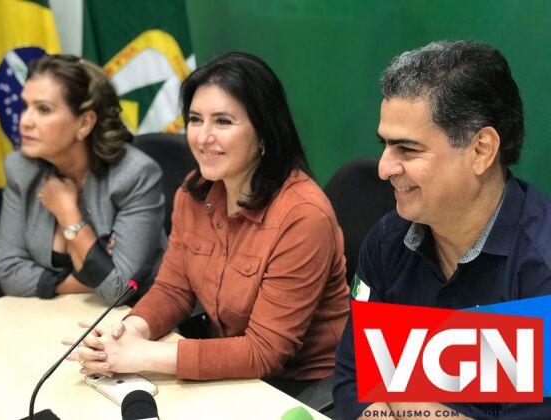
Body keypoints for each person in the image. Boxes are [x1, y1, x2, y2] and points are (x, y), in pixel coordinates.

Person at [70, 52, 350, 394]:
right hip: (229, 366)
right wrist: (132, 331)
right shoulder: (193, 192)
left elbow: (266, 352)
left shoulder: (303, 216)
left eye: (223, 121)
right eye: (195, 119)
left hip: (303, 386)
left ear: (263, 131)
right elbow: (173, 289)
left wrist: (146, 355)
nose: (203, 138)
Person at [333, 41, 551, 419]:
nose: (384, 168)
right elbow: (352, 377)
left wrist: (406, 401)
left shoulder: (540, 271)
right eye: (385, 145)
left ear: (481, 150)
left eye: (407, 149)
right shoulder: (387, 242)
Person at [0, 54, 166, 304]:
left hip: (133, 322)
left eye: (43, 109)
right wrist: (86, 279)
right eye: (25, 106)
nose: (25, 121)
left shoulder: (134, 175)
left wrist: (68, 214)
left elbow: (120, 290)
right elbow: (8, 272)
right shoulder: (21, 169)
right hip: (53, 319)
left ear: (84, 123)